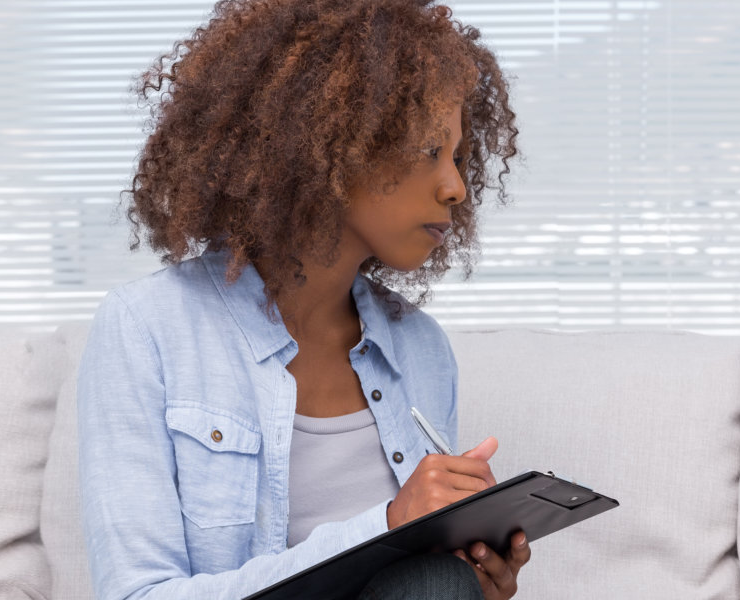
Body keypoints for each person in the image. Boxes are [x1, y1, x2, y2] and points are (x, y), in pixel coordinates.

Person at [76, 1, 524, 598]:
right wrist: (386, 524)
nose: (456, 187)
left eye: (460, 158)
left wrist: (469, 577)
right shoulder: (147, 329)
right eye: (429, 151)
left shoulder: (422, 349)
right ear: (334, 143)